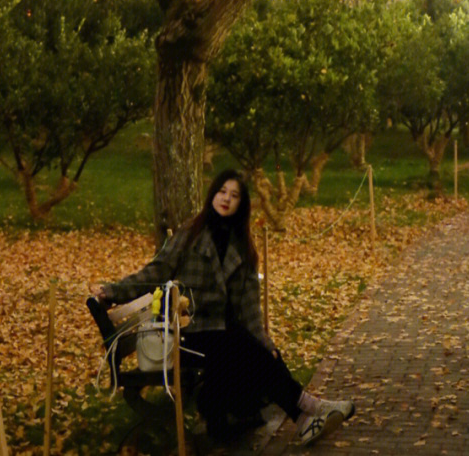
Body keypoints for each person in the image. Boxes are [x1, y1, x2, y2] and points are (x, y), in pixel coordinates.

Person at [89, 169, 355, 447]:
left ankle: (304, 416)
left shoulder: (243, 246)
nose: (226, 198)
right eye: (222, 192)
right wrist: (112, 291)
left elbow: (250, 307)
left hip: (224, 334)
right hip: (189, 335)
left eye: (234, 195)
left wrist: (267, 343)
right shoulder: (191, 233)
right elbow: (156, 271)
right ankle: (308, 409)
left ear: (242, 203)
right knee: (239, 344)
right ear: (213, 194)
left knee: (254, 348)